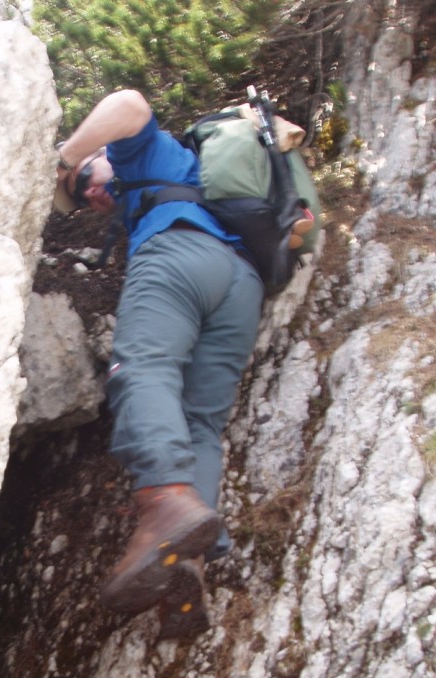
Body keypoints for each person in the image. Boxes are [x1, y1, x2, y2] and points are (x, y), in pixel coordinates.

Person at [53, 89, 264, 638]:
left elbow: (129, 103)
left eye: (85, 180)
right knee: (200, 424)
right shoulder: (171, 181)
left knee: (140, 370)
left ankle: (166, 501)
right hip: (241, 283)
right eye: (80, 197)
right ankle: (185, 564)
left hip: (180, 255)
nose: (89, 192)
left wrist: (66, 157)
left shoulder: (141, 153)